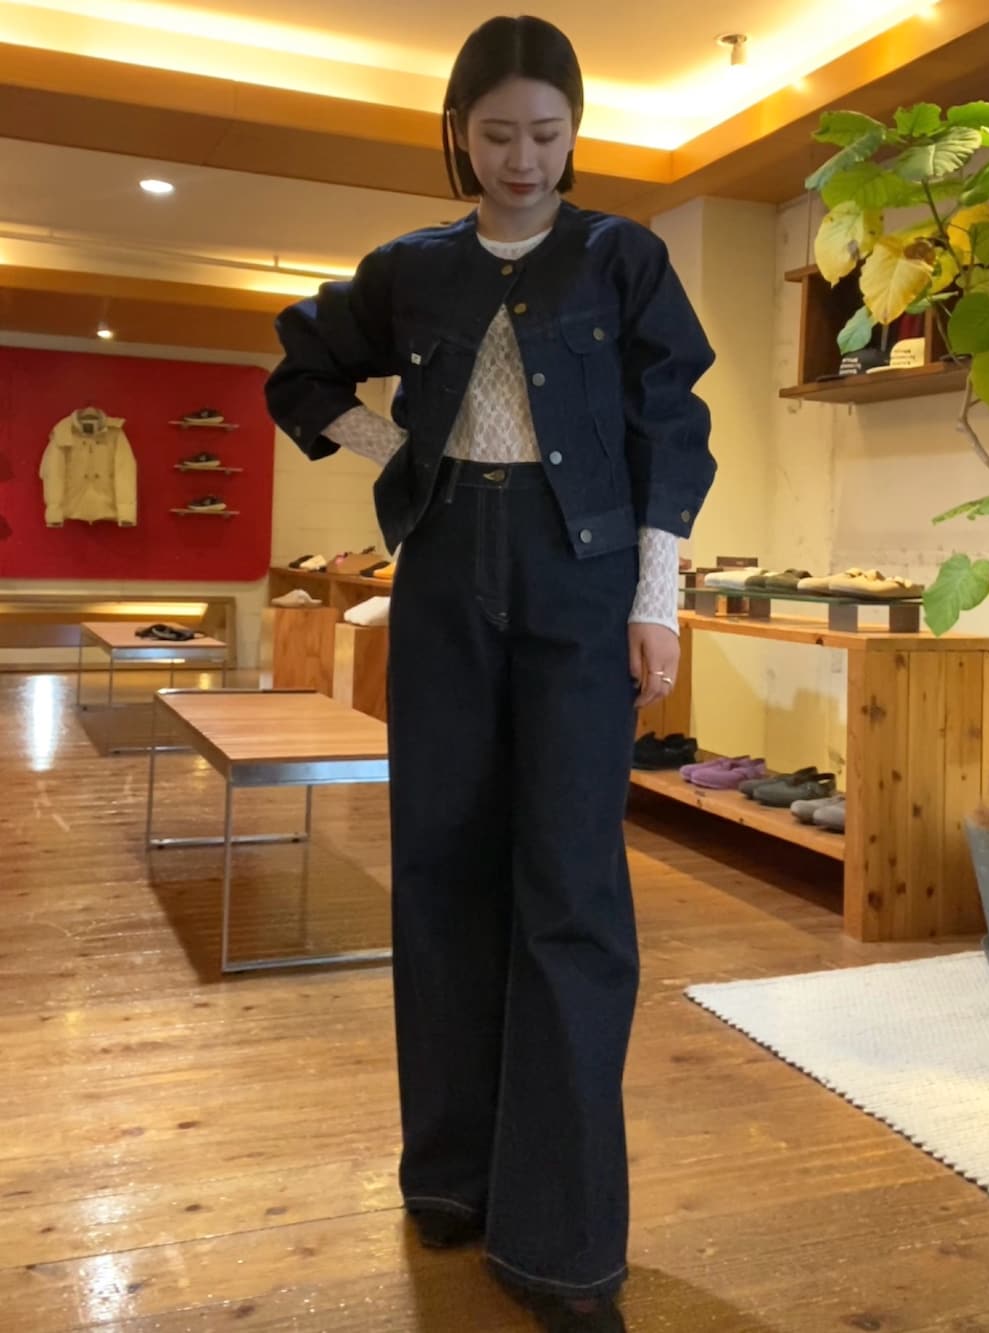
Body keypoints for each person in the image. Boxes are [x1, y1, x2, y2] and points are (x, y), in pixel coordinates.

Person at [265, 15, 716, 1331]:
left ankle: (563, 1242)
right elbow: (303, 373)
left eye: (547, 133)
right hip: (447, 571)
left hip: (584, 582)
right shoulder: (409, 271)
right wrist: (400, 455)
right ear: (458, 135)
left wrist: (657, 601)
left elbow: (671, 431)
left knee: (573, 889)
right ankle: (452, 1176)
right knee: (442, 869)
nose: (524, 158)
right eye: (499, 133)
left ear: (575, 135)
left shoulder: (622, 257)